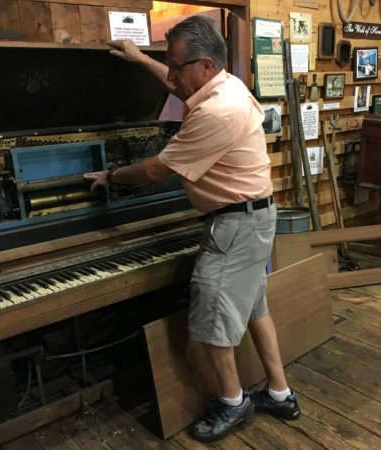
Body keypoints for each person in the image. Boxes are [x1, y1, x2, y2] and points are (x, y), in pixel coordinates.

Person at [83, 16, 301, 443]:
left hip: (235, 224)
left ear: (203, 66)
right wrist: (137, 57)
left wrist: (109, 177)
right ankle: (279, 393)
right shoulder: (225, 84)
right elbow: (174, 84)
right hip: (254, 218)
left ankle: (233, 401)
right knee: (255, 307)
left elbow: (153, 169)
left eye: (176, 66)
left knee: (213, 317)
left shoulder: (216, 112)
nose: (171, 75)